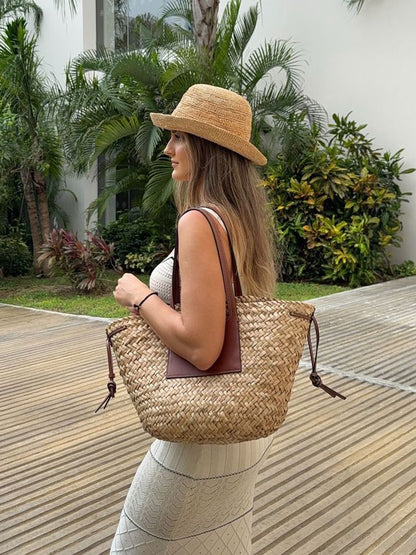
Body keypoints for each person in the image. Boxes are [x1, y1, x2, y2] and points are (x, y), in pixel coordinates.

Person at [110, 84, 276, 554]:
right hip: (238, 427)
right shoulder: (240, 220)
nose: (167, 149)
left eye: (179, 137)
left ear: (207, 148)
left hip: (197, 438)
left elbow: (202, 347)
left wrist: (140, 296)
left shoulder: (200, 222)